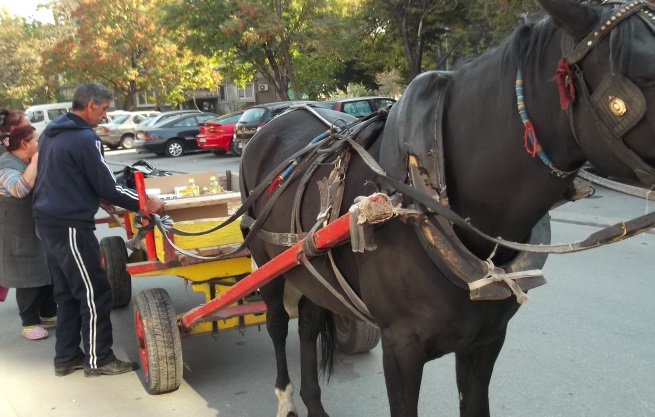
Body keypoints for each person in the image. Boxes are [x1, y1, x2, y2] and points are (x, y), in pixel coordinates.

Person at [33, 83, 166, 377]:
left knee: (68, 292)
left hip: (48, 220)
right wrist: (146, 203)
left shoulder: (52, 132)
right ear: (90, 105)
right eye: (104, 109)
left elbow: (67, 176)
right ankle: (99, 359)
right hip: (68, 224)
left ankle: (67, 357)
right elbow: (108, 185)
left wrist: (98, 198)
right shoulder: (84, 138)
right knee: (95, 292)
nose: (105, 116)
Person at [0, 124, 57, 340]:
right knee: (27, 276)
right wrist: (35, 162)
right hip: (16, 232)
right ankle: (29, 323)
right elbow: (19, 189)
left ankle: (48, 313)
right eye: (37, 140)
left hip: (34, 228)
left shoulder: (24, 161)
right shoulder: (5, 166)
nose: (40, 145)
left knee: (46, 271)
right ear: (25, 144)